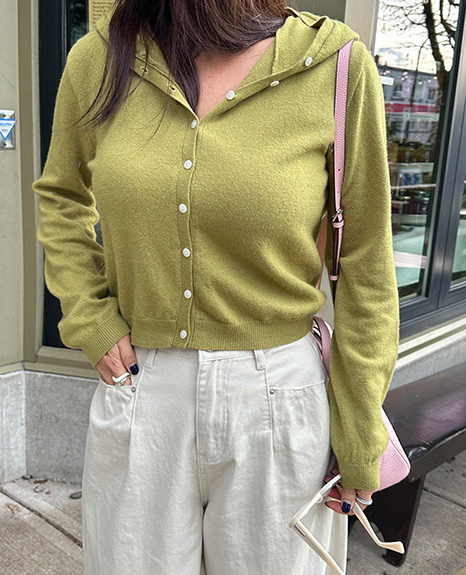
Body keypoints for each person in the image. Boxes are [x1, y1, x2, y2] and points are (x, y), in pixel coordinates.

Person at [32, 1, 400, 573]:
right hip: (142, 388)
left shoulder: (335, 65)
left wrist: (359, 433)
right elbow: (61, 196)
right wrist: (90, 318)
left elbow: (367, 260)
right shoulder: (101, 58)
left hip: (280, 395)